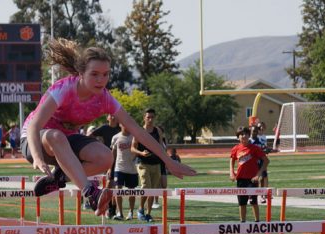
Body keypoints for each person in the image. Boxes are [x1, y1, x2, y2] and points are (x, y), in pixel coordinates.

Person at [21, 38, 195, 216]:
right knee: (55, 136)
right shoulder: (63, 89)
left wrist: (168, 161)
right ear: (81, 73)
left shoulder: (104, 98)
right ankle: (91, 194)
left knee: (105, 158)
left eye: (106, 74)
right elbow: (35, 125)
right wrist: (37, 157)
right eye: (94, 74)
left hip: (65, 145)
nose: (101, 80)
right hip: (35, 141)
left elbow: (138, 131)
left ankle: (58, 178)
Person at [230, 126, 270, 222]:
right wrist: (231, 172)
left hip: (252, 179)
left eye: (245, 134)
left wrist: (258, 174)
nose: (244, 136)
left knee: (253, 200)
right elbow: (231, 160)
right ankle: (242, 222)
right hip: (240, 179)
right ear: (238, 137)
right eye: (241, 135)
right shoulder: (235, 148)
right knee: (242, 202)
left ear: (249, 135)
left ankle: (257, 221)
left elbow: (266, 161)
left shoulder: (254, 148)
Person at [132, 108, 165, 222]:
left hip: (156, 164)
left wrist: (164, 157)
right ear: (144, 118)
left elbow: (161, 146)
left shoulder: (157, 131)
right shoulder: (139, 131)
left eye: (152, 117)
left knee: (154, 190)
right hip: (143, 163)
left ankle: (148, 213)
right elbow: (132, 148)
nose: (150, 119)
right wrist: (141, 153)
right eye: (148, 117)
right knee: (146, 187)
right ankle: (140, 209)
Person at [90, 114, 121, 217]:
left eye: (115, 116)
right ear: (107, 118)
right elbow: (90, 136)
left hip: (120, 160)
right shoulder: (104, 128)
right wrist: (97, 146)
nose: (113, 117)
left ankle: (112, 209)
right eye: (111, 116)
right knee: (109, 184)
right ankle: (104, 206)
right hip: (107, 159)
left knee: (116, 186)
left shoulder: (120, 128)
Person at [110, 123, 139, 220]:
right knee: (118, 189)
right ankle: (120, 213)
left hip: (132, 169)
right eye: (124, 123)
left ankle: (130, 213)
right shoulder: (115, 137)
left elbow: (137, 149)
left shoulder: (134, 137)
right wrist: (110, 168)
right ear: (120, 124)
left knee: (131, 191)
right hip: (119, 168)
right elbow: (112, 154)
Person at [250, 123, 270, 203]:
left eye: (255, 131)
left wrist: (267, 150)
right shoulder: (249, 141)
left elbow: (263, 148)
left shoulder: (259, 140)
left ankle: (262, 196)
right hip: (252, 163)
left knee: (262, 178)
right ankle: (251, 196)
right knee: (253, 180)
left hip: (261, 162)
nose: (254, 133)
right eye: (252, 131)